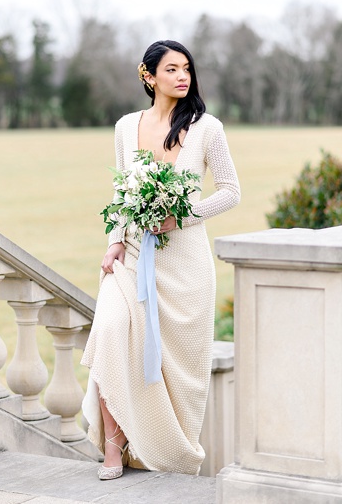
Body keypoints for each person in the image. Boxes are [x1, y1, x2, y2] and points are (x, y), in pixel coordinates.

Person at [80, 40, 241, 479]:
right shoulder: (124, 127)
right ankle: (113, 450)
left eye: (186, 68)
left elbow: (230, 191)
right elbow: (120, 192)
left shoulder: (208, 128)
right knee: (111, 332)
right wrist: (115, 238)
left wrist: (183, 216)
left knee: (180, 371)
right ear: (148, 76)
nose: (182, 76)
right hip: (130, 256)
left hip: (186, 267)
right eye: (171, 69)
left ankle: (170, 454)